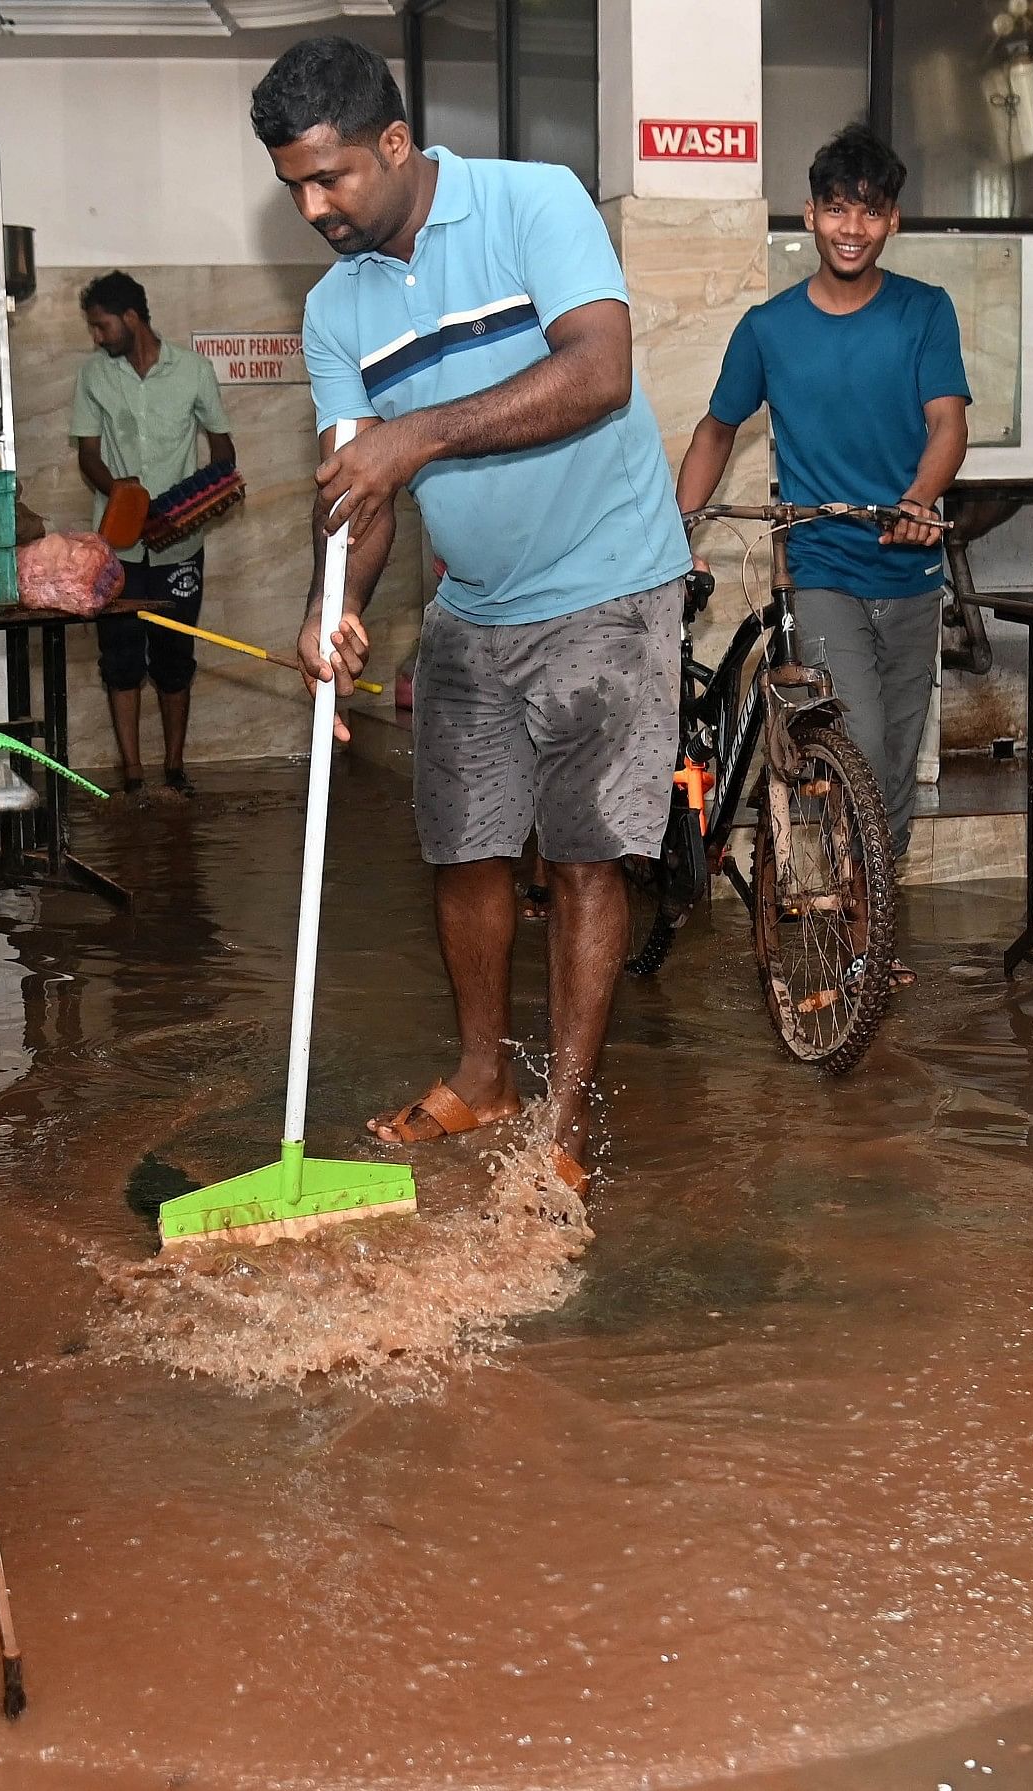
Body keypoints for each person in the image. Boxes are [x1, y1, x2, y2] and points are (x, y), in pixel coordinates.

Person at [254, 34, 693, 1200]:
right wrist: (330, 604)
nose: (313, 204)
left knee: (592, 854)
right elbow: (358, 491)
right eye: (294, 182)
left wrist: (421, 433)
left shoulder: (531, 203)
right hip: (475, 605)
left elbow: (599, 369)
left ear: (395, 143)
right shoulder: (337, 311)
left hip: (610, 581)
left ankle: (564, 1116)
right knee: (462, 844)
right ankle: (483, 1075)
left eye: (331, 175)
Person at [671, 122, 971, 868]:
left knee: (896, 760)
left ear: (892, 221)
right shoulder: (769, 330)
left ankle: (872, 916)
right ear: (809, 215)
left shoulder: (925, 311)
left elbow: (948, 423)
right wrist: (678, 529)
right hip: (823, 568)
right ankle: (856, 910)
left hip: (913, 575)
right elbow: (716, 433)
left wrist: (919, 498)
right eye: (837, 209)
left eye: (870, 211)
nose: (852, 228)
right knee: (861, 745)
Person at [70, 270, 237, 793]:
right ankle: (133, 773)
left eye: (101, 327)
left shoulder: (193, 371)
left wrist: (193, 506)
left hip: (179, 545)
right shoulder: (94, 376)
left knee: (174, 656)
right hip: (118, 545)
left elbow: (224, 451)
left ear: (131, 318)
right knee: (120, 658)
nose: (97, 338)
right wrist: (124, 495)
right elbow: (88, 455)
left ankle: (174, 768)